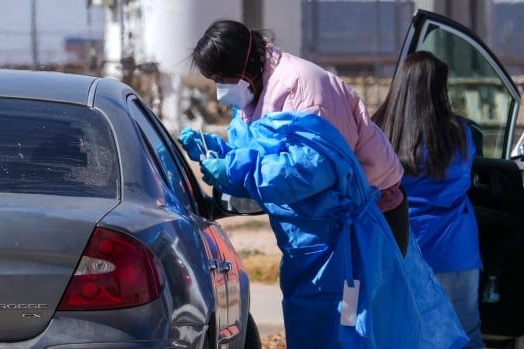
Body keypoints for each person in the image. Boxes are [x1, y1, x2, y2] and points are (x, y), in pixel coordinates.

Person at [186, 109, 468, 348]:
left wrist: (233, 166)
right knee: (355, 320)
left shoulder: (319, 141)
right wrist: (229, 159)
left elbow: (286, 178)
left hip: (344, 259)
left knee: (351, 322)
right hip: (345, 254)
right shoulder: (326, 130)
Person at [181, 19, 409, 255]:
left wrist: (234, 169)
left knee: (360, 291)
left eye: (221, 79)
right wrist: (219, 152)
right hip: (324, 216)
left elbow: (311, 170)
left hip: (368, 208)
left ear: (242, 67)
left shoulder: (302, 87)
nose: (220, 90)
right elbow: (260, 153)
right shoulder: (252, 92)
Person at [373, 51, 483, 348]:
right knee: (466, 335)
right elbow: (466, 178)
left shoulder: (379, 132)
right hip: (455, 252)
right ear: (439, 89)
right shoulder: (460, 133)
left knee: (404, 337)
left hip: (399, 250)